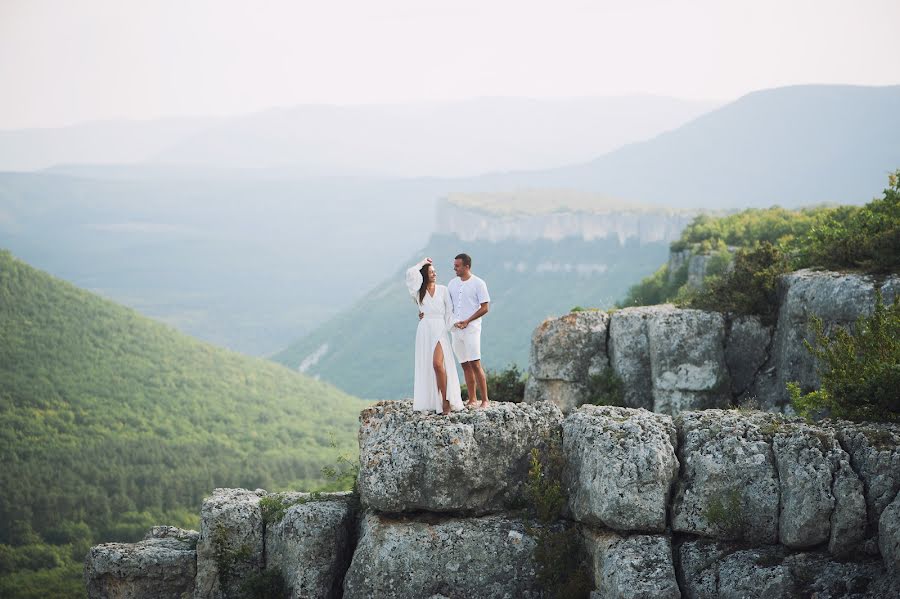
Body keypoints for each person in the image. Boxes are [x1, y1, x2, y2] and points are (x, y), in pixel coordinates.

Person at [405, 257, 464, 415]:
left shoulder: (443, 290)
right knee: (428, 365)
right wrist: (421, 263)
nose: (434, 274)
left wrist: (456, 323)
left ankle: (446, 401)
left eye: (434, 271)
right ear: (424, 274)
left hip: (439, 328)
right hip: (424, 330)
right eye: (431, 272)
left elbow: (450, 312)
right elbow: (410, 274)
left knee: (438, 364)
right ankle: (433, 401)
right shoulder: (418, 293)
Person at [447, 253, 491, 408]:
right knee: (464, 364)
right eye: (454, 265)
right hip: (456, 330)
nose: (454, 268)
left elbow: (485, 307)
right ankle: (472, 399)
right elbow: (447, 305)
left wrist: (468, 321)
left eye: (457, 266)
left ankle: (485, 399)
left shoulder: (479, 283)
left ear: (467, 266)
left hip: (472, 329)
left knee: (475, 363)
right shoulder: (452, 284)